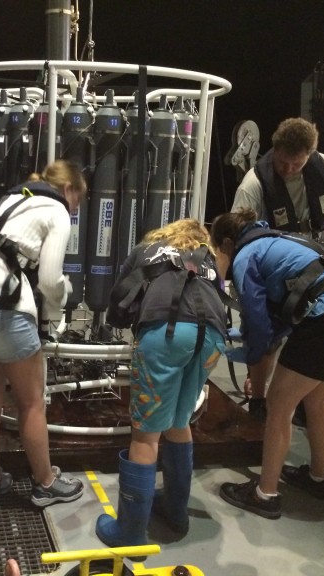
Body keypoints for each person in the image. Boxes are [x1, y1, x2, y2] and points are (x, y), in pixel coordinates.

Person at [210, 208, 324, 519]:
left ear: (228, 243)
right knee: (316, 398)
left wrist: (251, 351)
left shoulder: (247, 255)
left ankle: (265, 495)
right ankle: (317, 479)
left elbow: (259, 323)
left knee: (279, 405)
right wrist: (244, 336)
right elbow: (290, 311)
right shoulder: (283, 241)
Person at [0, 160, 87, 509]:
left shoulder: (9, 201)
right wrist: (64, 297)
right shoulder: (56, 209)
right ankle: (45, 484)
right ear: (69, 190)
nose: (75, 209)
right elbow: (50, 279)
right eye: (77, 202)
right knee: (31, 401)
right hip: (0, 308)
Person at [96, 219, 227, 549]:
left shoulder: (147, 250)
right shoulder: (206, 257)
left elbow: (120, 297)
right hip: (211, 337)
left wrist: (116, 323)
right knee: (179, 421)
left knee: (145, 434)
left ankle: (129, 532)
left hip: (165, 335)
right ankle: (174, 511)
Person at [231, 117, 324, 425]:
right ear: (274, 149)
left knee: (311, 334)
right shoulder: (254, 185)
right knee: (264, 335)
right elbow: (236, 236)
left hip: (311, 266)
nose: (289, 170)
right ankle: (258, 399)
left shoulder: (321, 166)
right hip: (271, 270)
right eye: (284, 163)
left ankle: (298, 399)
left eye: (297, 164)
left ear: (310, 155)